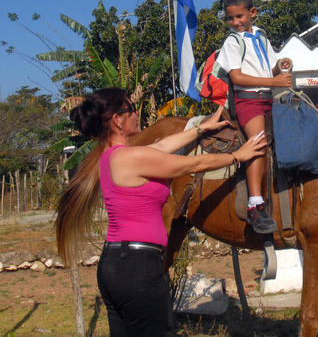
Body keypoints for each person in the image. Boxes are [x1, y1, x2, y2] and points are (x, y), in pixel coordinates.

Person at [55, 87, 265, 336]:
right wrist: (237, 157)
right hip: (138, 268)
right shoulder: (131, 158)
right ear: (117, 120)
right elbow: (194, 163)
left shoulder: (113, 157)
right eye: (131, 109)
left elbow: (164, 144)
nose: (136, 114)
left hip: (117, 265)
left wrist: (200, 129)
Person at [216, 0, 292, 234]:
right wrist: (275, 83)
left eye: (239, 16)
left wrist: (281, 67)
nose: (235, 22)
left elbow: (270, 68)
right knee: (257, 143)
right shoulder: (232, 42)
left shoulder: (262, 37)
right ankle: (255, 204)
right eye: (230, 18)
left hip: (267, 99)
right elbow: (236, 76)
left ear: (252, 13)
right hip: (248, 101)